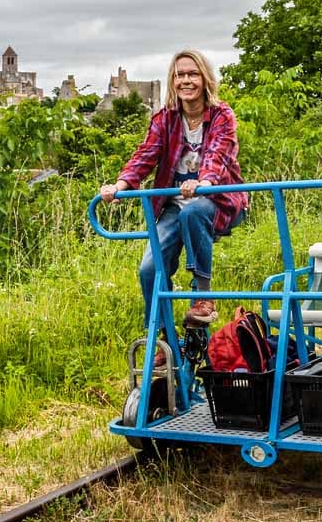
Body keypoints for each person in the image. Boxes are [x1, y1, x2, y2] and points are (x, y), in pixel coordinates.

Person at [99, 49, 248, 336]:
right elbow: (146, 155)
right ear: (172, 81)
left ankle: (203, 297)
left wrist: (203, 182)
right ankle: (162, 337)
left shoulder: (221, 116)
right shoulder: (165, 119)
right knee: (149, 269)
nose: (186, 81)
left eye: (192, 74)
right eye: (180, 75)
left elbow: (218, 152)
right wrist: (120, 186)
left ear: (204, 79)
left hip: (216, 198)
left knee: (194, 211)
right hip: (174, 202)